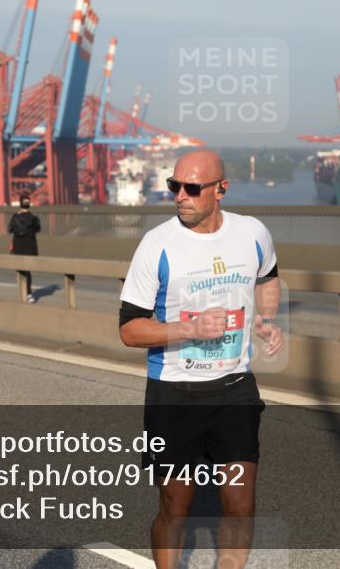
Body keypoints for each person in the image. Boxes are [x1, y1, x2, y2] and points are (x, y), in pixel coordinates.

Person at [118, 149, 283, 569]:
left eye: (192, 188)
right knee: (177, 506)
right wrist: (188, 329)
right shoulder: (157, 245)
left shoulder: (253, 233)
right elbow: (129, 330)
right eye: (175, 186)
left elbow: (267, 277)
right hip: (173, 392)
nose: (180, 196)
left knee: (240, 503)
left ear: (221, 189)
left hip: (234, 388)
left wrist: (265, 319)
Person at [7, 193, 41, 303]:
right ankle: (29, 293)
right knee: (28, 271)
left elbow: (10, 230)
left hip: (18, 246)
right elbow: (38, 229)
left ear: (20, 204)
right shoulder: (34, 218)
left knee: (20, 270)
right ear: (29, 204)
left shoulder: (15, 217)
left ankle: (24, 292)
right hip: (30, 246)